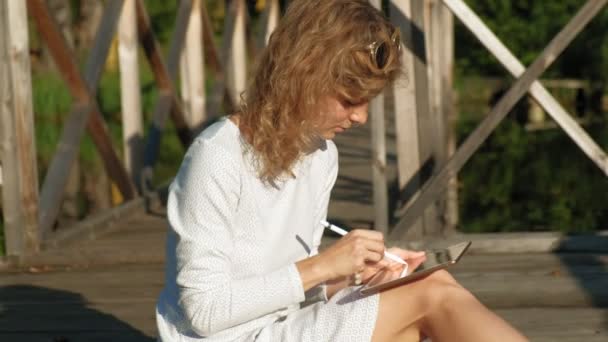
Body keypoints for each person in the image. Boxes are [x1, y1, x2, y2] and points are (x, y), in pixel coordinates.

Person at [155, 0, 528, 341]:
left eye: (368, 101)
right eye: (349, 100)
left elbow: (291, 288)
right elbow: (204, 311)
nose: (361, 116)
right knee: (431, 296)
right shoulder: (216, 157)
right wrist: (323, 265)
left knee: (427, 285)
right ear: (301, 76)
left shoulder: (321, 155)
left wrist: (354, 275)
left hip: (276, 327)